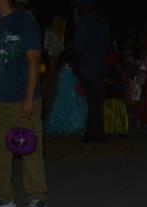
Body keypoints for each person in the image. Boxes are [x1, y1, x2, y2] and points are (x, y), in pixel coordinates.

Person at [0, 0, 48, 207]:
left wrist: (29, 98)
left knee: (30, 148)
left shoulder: (24, 21)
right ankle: (2, 195)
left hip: (22, 97)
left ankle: (37, 197)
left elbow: (34, 61)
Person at [72, 0, 110, 143]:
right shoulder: (102, 22)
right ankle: (96, 131)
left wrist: (76, 67)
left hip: (87, 67)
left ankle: (96, 133)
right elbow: (106, 46)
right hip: (100, 66)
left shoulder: (84, 22)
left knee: (91, 101)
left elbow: (79, 48)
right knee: (96, 101)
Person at [44, 50, 87, 136]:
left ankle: (64, 127)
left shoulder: (63, 70)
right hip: (70, 95)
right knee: (72, 110)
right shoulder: (71, 71)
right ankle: (70, 127)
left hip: (64, 95)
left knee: (62, 110)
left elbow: (60, 85)